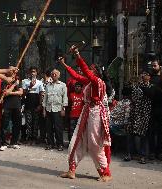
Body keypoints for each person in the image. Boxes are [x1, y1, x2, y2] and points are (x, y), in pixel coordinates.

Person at [58, 45, 112, 182]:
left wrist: (77, 54)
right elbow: (76, 75)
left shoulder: (97, 81)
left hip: (95, 113)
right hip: (87, 112)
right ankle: (72, 169)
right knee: (76, 139)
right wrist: (64, 64)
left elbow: (83, 70)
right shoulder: (89, 81)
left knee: (94, 144)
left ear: (97, 73)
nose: (89, 71)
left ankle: (105, 172)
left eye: (92, 69)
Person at [42, 68, 68, 151]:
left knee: (58, 128)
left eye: (55, 74)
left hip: (58, 109)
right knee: (48, 128)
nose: (54, 75)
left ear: (59, 75)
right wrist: (44, 109)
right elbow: (45, 98)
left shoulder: (62, 85)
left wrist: (63, 109)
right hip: (49, 109)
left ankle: (59, 144)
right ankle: (50, 143)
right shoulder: (47, 85)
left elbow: (65, 98)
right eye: (52, 74)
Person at [22, 66, 44, 144]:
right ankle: (28, 138)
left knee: (35, 122)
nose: (32, 73)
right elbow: (23, 93)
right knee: (28, 122)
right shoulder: (25, 81)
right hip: (28, 104)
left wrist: (40, 105)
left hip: (36, 104)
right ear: (29, 72)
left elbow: (41, 94)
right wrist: (30, 87)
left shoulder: (40, 82)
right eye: (31, 71)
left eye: (34, 71)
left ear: (36, 73)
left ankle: (34, 138)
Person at [0, 75, 23, 151]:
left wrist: (11, 92)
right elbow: (5, 93)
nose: (13, 75)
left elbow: (21, 92)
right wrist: (14, 85)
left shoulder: (18, 82)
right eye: (11, 73)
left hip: (17, 105)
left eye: (14, 73)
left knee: (17, 124)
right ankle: (3, 143)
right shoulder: (4, 82)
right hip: (7, 105)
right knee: (5, 124)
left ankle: (14, 142)